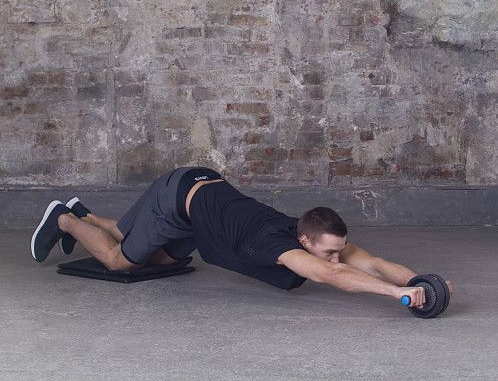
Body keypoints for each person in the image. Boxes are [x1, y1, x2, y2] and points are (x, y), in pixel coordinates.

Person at [31, 166, 454, 305]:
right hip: (177, 198)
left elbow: (372, 263)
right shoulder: (280, 245)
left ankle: (83, 213)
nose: (335, 258)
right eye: (327, 252)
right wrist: (397, 295)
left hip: (201, 192)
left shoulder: (313, 232)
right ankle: (64, 220)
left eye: (336, 251)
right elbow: (334, 276)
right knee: (122, 258)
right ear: (304, 242)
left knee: (142, 244)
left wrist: (422, 282)